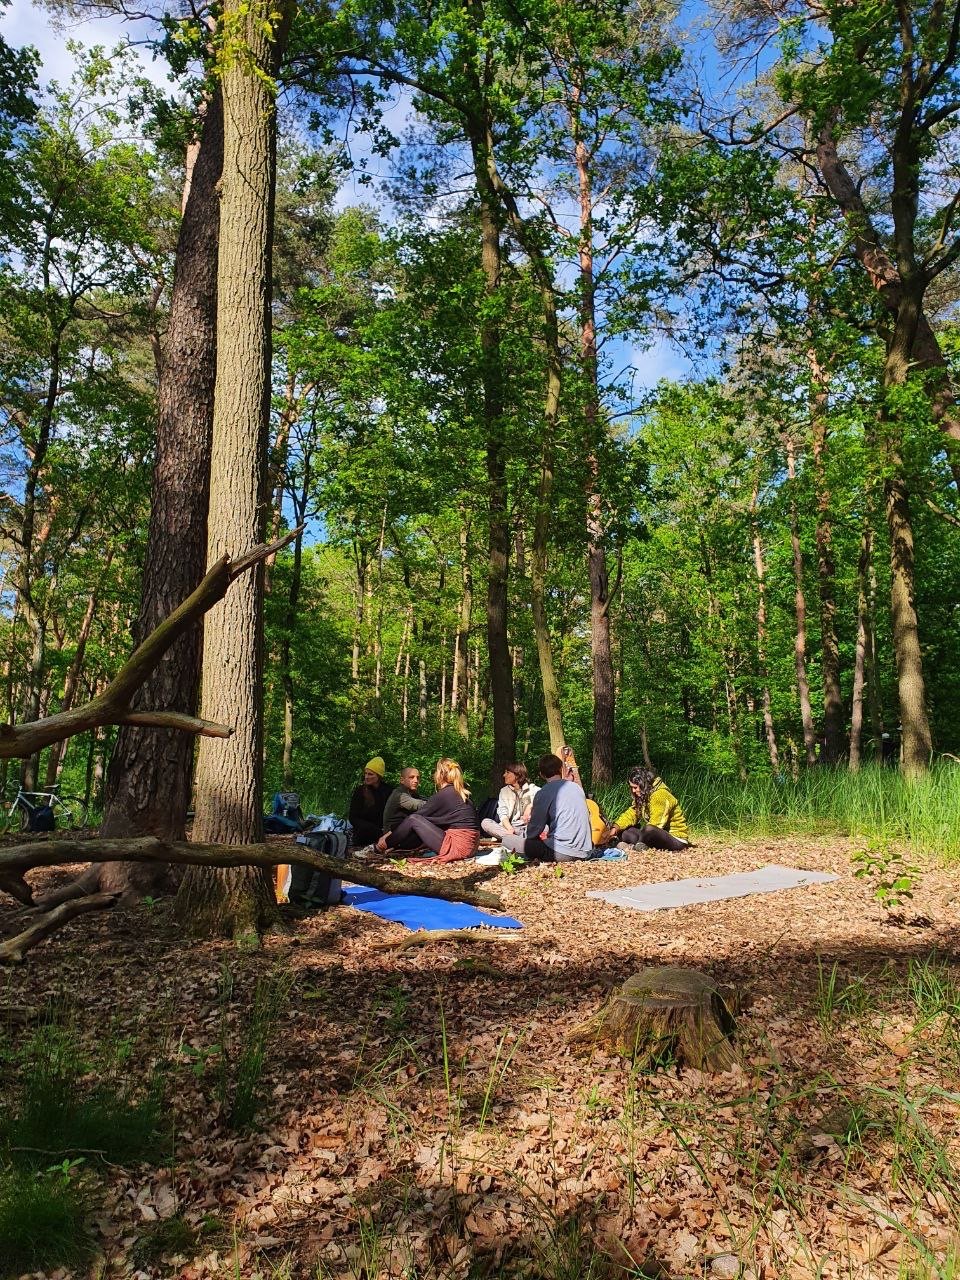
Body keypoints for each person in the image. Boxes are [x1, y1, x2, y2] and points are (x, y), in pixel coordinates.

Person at [376, 758, 479, 862]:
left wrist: (387, 837)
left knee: (413, 819)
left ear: (439, 775)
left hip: (459, 848)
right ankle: (395, 847)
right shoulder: (461, 793)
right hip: (471, 847)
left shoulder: (444, 795)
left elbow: (416, 817)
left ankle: (380, 847)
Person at [496, 753, 593, 863]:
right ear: (561, 769)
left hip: (561, 852)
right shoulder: (577, 788)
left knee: (508, 839)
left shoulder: (543, 792)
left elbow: (533, 831)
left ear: (541, 774)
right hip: (586, 851)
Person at [608, 766, 690, 851]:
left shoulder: (660, 794)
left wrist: (643, 835)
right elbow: (631, 814)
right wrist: (616, 828)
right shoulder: (643, 795)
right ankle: (639, 845)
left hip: (676, 839)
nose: (633, 791)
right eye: (632, 787)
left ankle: (635, 847)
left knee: (649, 829)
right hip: (656, 836)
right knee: (626, 831)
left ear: (643, 785)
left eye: (635, 787)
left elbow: (657, 824)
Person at [480, 763, 539, 842]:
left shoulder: (534, 790)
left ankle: (513, 840)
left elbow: (545, 802)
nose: (504, 775)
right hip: (510, 828)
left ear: (517, 775)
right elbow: (502, 813)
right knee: (485, 822)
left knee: (544, 827)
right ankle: (516, 839)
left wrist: (531, 806)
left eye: (507, 772)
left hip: (528, 827)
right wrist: (510, 829)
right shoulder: (504, 791)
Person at [347, 756, 391, 847]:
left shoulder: (387, 791)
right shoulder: (360, 791)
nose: (366, 777)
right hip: (364, 831)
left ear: (378, 776)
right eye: (366, 774)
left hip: (383, 831)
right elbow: (353, 817)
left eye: (370, 774)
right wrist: (370, 828)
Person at [381, 766, 426, 849]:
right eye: (411, 777)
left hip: (402, 830)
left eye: (417, 778)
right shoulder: (399, 795)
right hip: (393, 835)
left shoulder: (412, 793)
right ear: (402, 780)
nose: (416, 781)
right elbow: (418, 805)